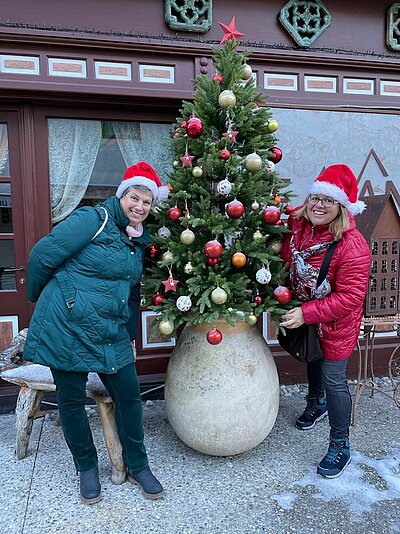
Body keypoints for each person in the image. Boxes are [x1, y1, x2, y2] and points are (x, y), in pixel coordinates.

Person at [24, 161, 169, 504]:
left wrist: (131, 334)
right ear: (122, 195)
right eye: (135, 197)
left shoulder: (137, 239)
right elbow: (41, 256)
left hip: (111, 329)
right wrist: (47, 299)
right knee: (71, 401)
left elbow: (132, 291)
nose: (140, 207)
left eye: (147, 202)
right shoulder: (93, 219)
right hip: (68, 327)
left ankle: (138, 465)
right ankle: (86, 468)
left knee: (130, 396)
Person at [280, 164, 371, 479]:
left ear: (342, 207)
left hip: (336, 324)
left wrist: (306, 313)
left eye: (327, 200)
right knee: (311, 357)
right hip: (307, 312)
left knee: (334, 378)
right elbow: (286, 248)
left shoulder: (352, 245)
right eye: (315, 198)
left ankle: (340, 443)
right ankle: (315, 402)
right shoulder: (301, 226)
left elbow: (350, 299)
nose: (319, 205)